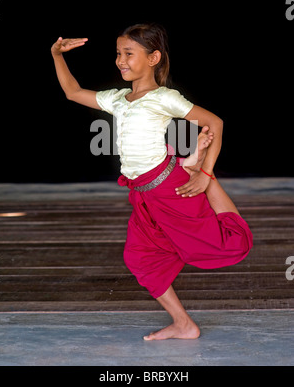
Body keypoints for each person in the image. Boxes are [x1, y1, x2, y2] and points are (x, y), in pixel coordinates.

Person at [51, 23, 253, 341]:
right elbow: (73, 92)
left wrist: (207, 174)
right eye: (118, 53)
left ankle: (195, 166)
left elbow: (215, 121)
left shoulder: (163, 98)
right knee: (139, 257)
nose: (121, 60)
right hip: (142, 194)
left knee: (228, 243)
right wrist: (56, 55)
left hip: (168, 188)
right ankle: (184, 324)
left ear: (153, 57)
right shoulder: (118, 99)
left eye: (129, 53)